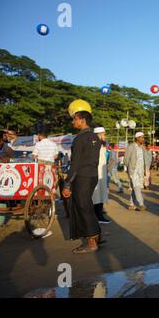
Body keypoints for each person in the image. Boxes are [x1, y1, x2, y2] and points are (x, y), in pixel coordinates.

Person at [62, 99, 102, 254]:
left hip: (82, 178)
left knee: (83, 208)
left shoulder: (79, 139)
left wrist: (67, 184)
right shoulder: (95, 138)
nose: (73, 122)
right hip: (92, 177)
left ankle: (92, 243)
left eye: (75, 118)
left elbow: (75, 164)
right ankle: (96, 237)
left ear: (82, 120)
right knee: (87, 207)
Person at [124, 132, 147, 211]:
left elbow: (143, 159)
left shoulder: (142, 147)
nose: (143, 139)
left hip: (140, 171)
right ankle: (141, 204)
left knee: (135, 188)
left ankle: (131, 205)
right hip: (133, 170)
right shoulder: (131, 147)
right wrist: (127, 169)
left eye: (143, 137)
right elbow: (126, 159)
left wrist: (144, 170)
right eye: (141, 137)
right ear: (137, 138)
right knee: (137, 187)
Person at [92, 126, 111, 224]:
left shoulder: (103, 145)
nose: (105, 136)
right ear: (99, 135)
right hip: (96, 173)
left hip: (102, 173)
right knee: (96, 195)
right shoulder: (94, 145)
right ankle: (98, 216)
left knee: (101, 194)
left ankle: (99, 214)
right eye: (103, 134)